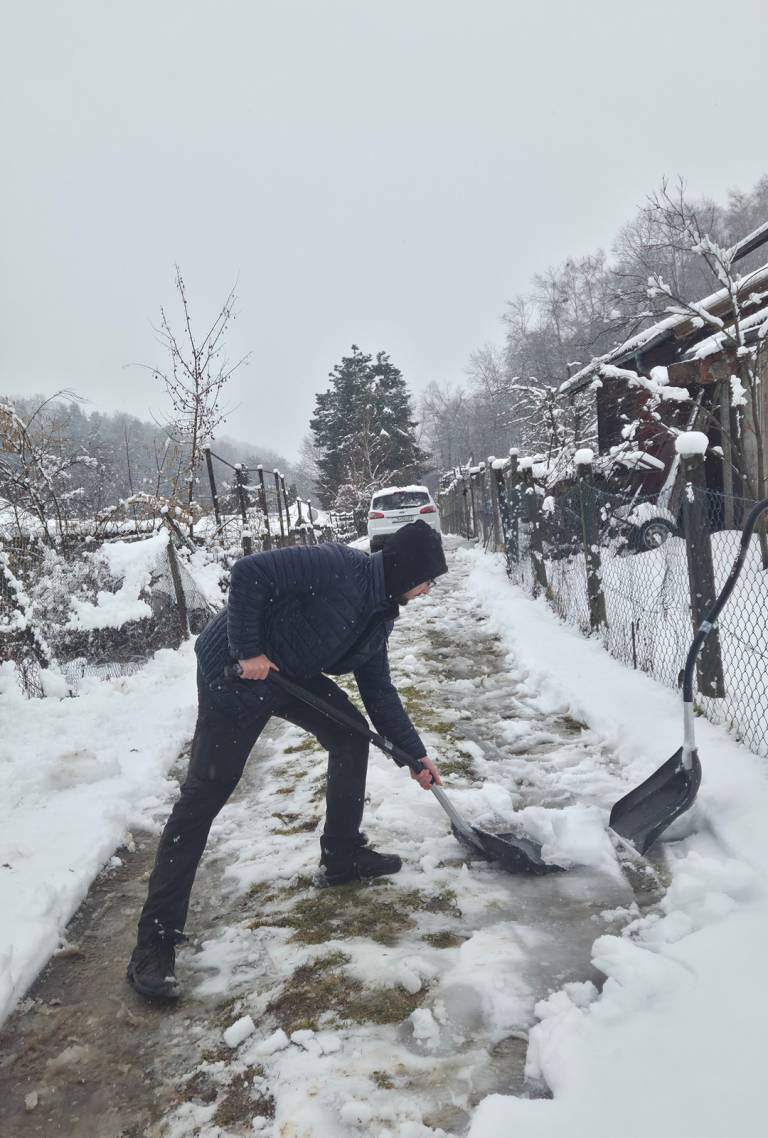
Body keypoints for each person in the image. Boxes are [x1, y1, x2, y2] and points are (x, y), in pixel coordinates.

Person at [127, 519, 448, 1000]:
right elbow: (249, 572)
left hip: (286, 675)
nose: (427, 591)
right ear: (408, 571)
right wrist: (248, 650)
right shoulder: (338, 566)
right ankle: (153, 942)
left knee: (350, 736)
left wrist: (414, 755)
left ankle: (341, 855)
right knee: (204, 795)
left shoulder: (379, 615)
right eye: (428, 581)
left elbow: (379, 693)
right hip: (233, 675)